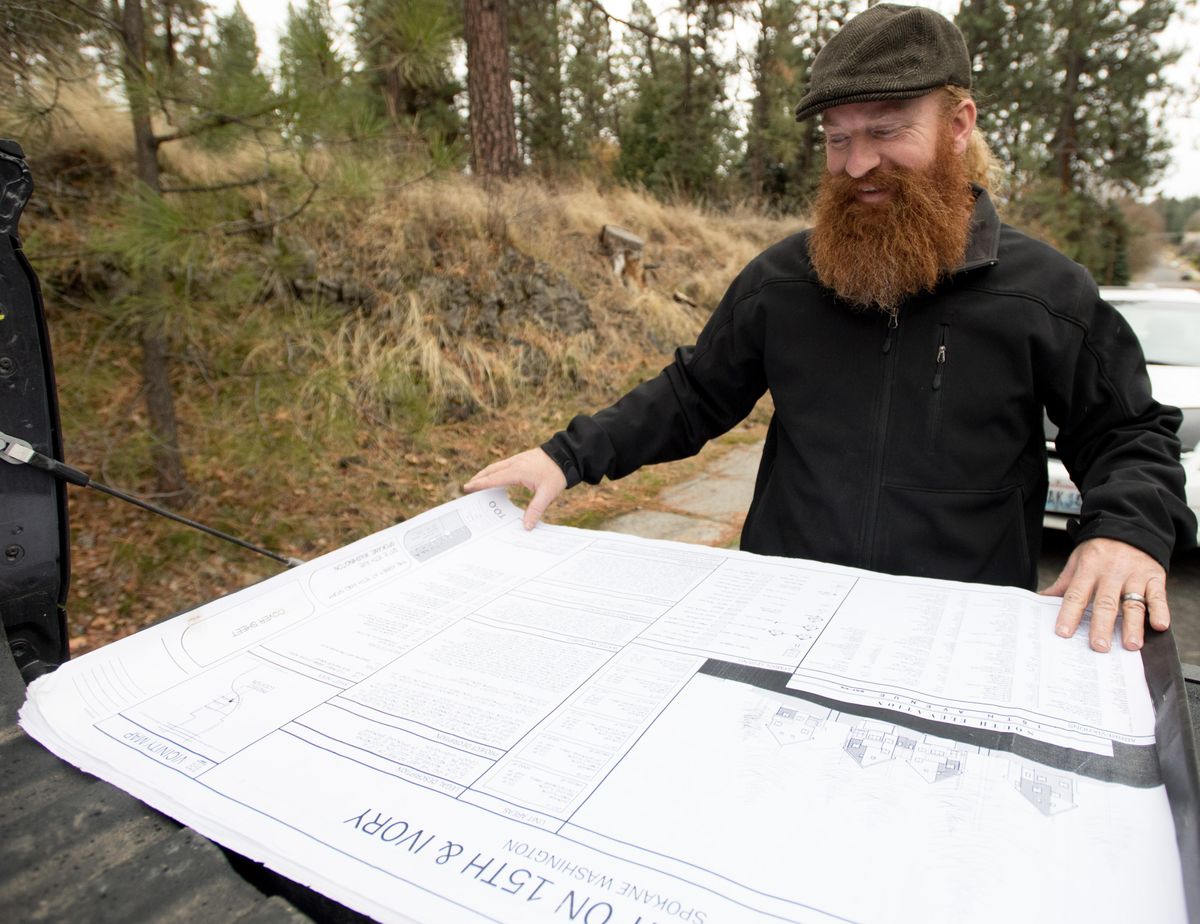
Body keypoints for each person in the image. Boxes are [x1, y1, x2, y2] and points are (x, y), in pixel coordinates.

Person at [465, 3, 1195, 655]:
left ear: (959, 125)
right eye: (837, 139)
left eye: (885, 131)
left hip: (957, 641)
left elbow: (1128, 433)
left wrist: (1127, 531)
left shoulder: (1045, 294)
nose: (859, 164)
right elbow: (692, 395)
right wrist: (565, 456)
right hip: (779, 626)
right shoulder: (784, 281)